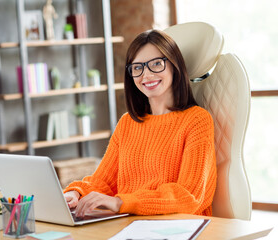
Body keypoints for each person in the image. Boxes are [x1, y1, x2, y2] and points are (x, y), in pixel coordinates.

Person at [64, 29, 217, 218]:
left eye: (156, 64)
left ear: (174, 65)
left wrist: (121, 202)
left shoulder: (196, 120)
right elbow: (103, 181)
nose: (146, 75)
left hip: (178, 227)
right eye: (138, 68)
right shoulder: (127, 123)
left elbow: (189, 196)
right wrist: (76, 193)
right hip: (130, 224)